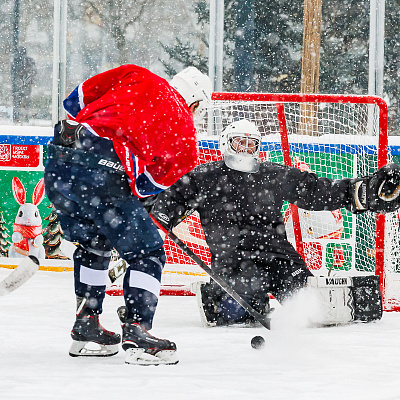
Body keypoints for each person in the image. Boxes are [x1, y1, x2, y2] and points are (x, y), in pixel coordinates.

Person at [152, 119, 400, 327]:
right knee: (237, 312)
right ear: (226, 143)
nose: (245, 149)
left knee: (314, 307)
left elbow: (315, 190)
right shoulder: (204, 177)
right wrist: (159, 215)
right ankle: (217, 297)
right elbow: (171, 200)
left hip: (279, 257)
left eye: (252, 145)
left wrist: (358, 192)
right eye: (240, 142)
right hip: (234, 262)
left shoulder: (272, 174)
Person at [44, 64, 212, 365]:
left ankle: (88, 324)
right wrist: (137, 197)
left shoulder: (137, 74)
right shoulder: (187, 135)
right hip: (104, 174)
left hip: (60, 162)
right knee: (147, 253)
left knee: (94, 243)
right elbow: (151, 185)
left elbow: (77, 100)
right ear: (196, 103)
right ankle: (137, 329)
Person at [11, 47, 36, 123]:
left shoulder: (16, 61)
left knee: (17, 101)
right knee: (26, 101)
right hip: (25, 84)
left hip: (18, 84)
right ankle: (25, 117)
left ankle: (17, 117)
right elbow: (34, 71)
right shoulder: (29, 61)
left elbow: (12, 73)